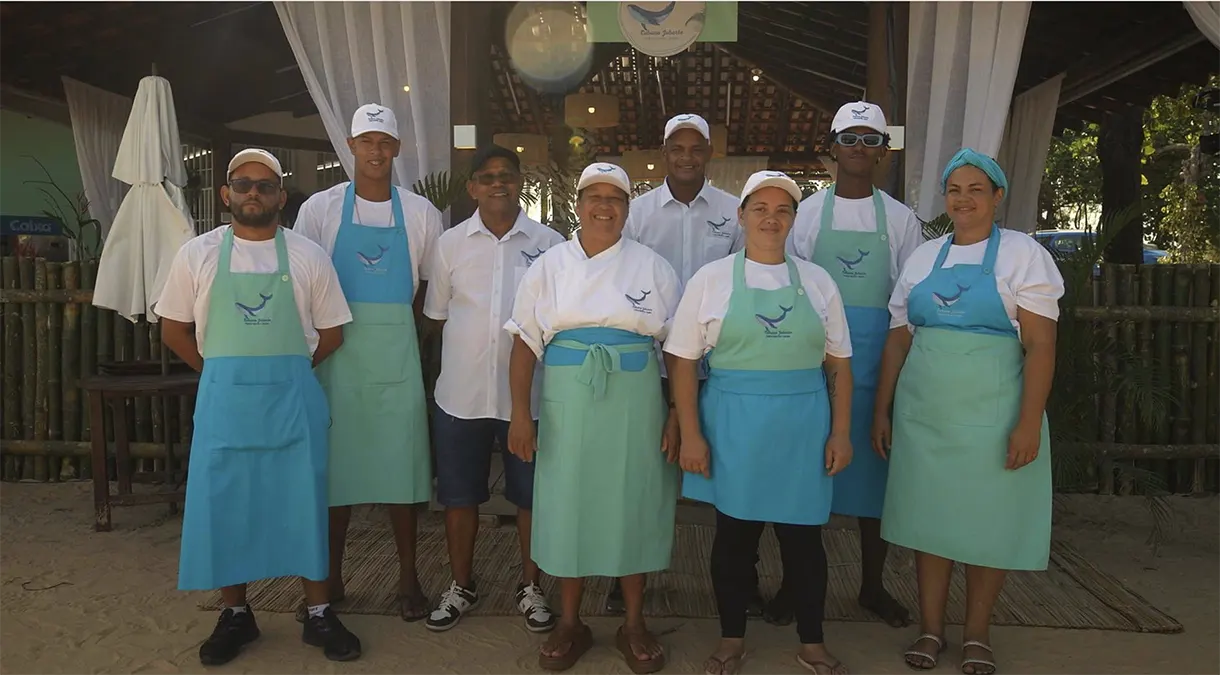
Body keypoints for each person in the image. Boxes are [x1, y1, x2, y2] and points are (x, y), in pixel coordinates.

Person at [158, 148, 362, 664]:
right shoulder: (197, 255)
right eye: (243, 184)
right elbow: (173, 328)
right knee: (226, 503)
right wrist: (221, 374)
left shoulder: (307, 256)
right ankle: (236, 615)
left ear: (281, 196)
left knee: (303, 500)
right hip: (225, 405)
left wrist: (286, 372)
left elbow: (333, 331)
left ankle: (318, 613)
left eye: (265, 185)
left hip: (292, 403)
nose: (254, 192)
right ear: (225, 194)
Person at [875, 148, 1063, 675]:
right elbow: (896, 341)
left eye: (976, 189)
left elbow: (1041, 346)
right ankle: (931, 629)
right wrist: (881, 409)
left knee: (987, 522)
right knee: (929, 522)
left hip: (995, 414)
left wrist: (1028, 422)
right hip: (924, 414)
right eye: (954, 190)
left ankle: (977, 633)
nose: (964, 199)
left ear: (998, 197)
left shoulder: (1023, 256)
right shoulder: (923, 258)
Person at [667, 170, 854, 675]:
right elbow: (683, 361)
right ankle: (731, 640)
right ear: (742, 215)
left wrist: (840, 431)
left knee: (804, 541)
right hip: (734, 427)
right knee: (734, 538)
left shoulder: (817, 282)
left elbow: (838, 363)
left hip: (803, 428)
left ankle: (811, 642)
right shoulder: (710, 281)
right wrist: (691, 433)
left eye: (783, 210)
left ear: (794, 219)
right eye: (760, 208)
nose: (771, 218)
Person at [505, 162, 682, 673]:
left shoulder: (653, 266)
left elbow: (678, 350)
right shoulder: (549, 265)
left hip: (636, 403)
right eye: (593, 196)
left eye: (616, 198)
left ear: (628, 209)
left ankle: (633, 622)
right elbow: (523, 346)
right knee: (569, 504)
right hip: (568, 404)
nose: (604, 206)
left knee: (634, 501)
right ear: (577, 204)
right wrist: (521, 414)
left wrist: (674, 413)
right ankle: (569, 620)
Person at [769, 101, 923, 629]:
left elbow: (905, 301)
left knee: (872, 479)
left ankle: (872, 587)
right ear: (832, 148)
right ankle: (796, 583)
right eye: (850, 138)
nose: (859, 148)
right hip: (814, 360)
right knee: (808, 475)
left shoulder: (901, 220)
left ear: (884, 152)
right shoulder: (806, 213)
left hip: (876, 359)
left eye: (870, 140)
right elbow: (790, 283)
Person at [293, 103, 443, 622]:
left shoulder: (422, 214)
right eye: (367, 141)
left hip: (396, 356)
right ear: (351, 146)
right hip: (337, 355)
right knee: (337, 470)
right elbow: (305, 283)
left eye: (385, 142)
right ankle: (332, 576)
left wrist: (405, 338)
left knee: (403, 466)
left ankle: (408, 578)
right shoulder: (319, 209)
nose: (376, 151)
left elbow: (426, 290)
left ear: (397, 148)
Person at [421, 145, 563, 633]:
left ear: (520, 180)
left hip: (530, 400)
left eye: (506, 174)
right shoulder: (450, 245)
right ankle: (462, 585)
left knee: (530, 498)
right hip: (460, 397)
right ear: (473, 187)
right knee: (459, 498)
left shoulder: (550, 245)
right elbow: (437, 317)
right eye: (487, 177)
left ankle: (531, 587)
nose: (497, 183)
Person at [618, 112, 754, 616]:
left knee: (729, 470)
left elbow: (746, 276)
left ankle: (743, 580)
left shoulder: (732, 210)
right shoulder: (637, 212)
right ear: (664, 152)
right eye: (678, 148)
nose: (687, 157)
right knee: (643, 470)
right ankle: (626, 572)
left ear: (709, 154)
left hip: (721, 362)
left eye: (697, 149)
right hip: (650, 362)